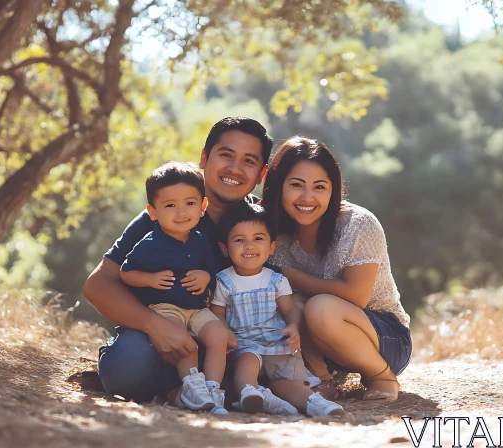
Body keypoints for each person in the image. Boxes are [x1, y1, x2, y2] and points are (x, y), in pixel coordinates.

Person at [83, 117, 273, 403]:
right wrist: (154, 325)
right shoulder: (169, 212)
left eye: (249, 161)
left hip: (230, 343)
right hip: (162, 332)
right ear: (204, 158)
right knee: (126, 369)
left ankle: (197, 389)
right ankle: (185, 387)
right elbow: (97, 285)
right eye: (226, 155)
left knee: (263, 362)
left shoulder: (261, 222)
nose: (235, 168)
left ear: (261, 173)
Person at [263, 136, 413, 401]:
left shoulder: (357, 224)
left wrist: (290, 275)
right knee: (289, 302)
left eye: (319, 187)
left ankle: (382, 377)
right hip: (324, 347)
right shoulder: (273, 233)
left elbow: (356, 296)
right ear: (278, 186)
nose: (307, 197)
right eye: (296, 185)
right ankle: (323, 382)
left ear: (333, 190)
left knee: (318, 305)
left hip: (384, 338)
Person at [210, 202, 344, 416]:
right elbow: (217, 312)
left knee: (286, 381)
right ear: (224, 248)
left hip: (276, 341)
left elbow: (291, 309)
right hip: (244, 342)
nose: (249, 246)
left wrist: (293, 326)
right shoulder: (224, 280)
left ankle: (313, 403)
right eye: (239, 240)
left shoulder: (276, 280)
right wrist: (225, 332)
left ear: (272, 247)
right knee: (248, 360)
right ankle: (250, 392)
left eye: (258, 238)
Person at [119, 162, 232, 414]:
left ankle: (213, 389)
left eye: (190, 204)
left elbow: (211, 272)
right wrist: (149, 279)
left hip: (197, 308)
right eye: (170, 205)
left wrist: (205, 277)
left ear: (203, 206)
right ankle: (192, 386)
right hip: (165, 307)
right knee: (181, 338)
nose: (181, 212)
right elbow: (126, 273)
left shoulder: (200, 240)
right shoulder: (150, 243)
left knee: (218, 335)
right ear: (153, 211)